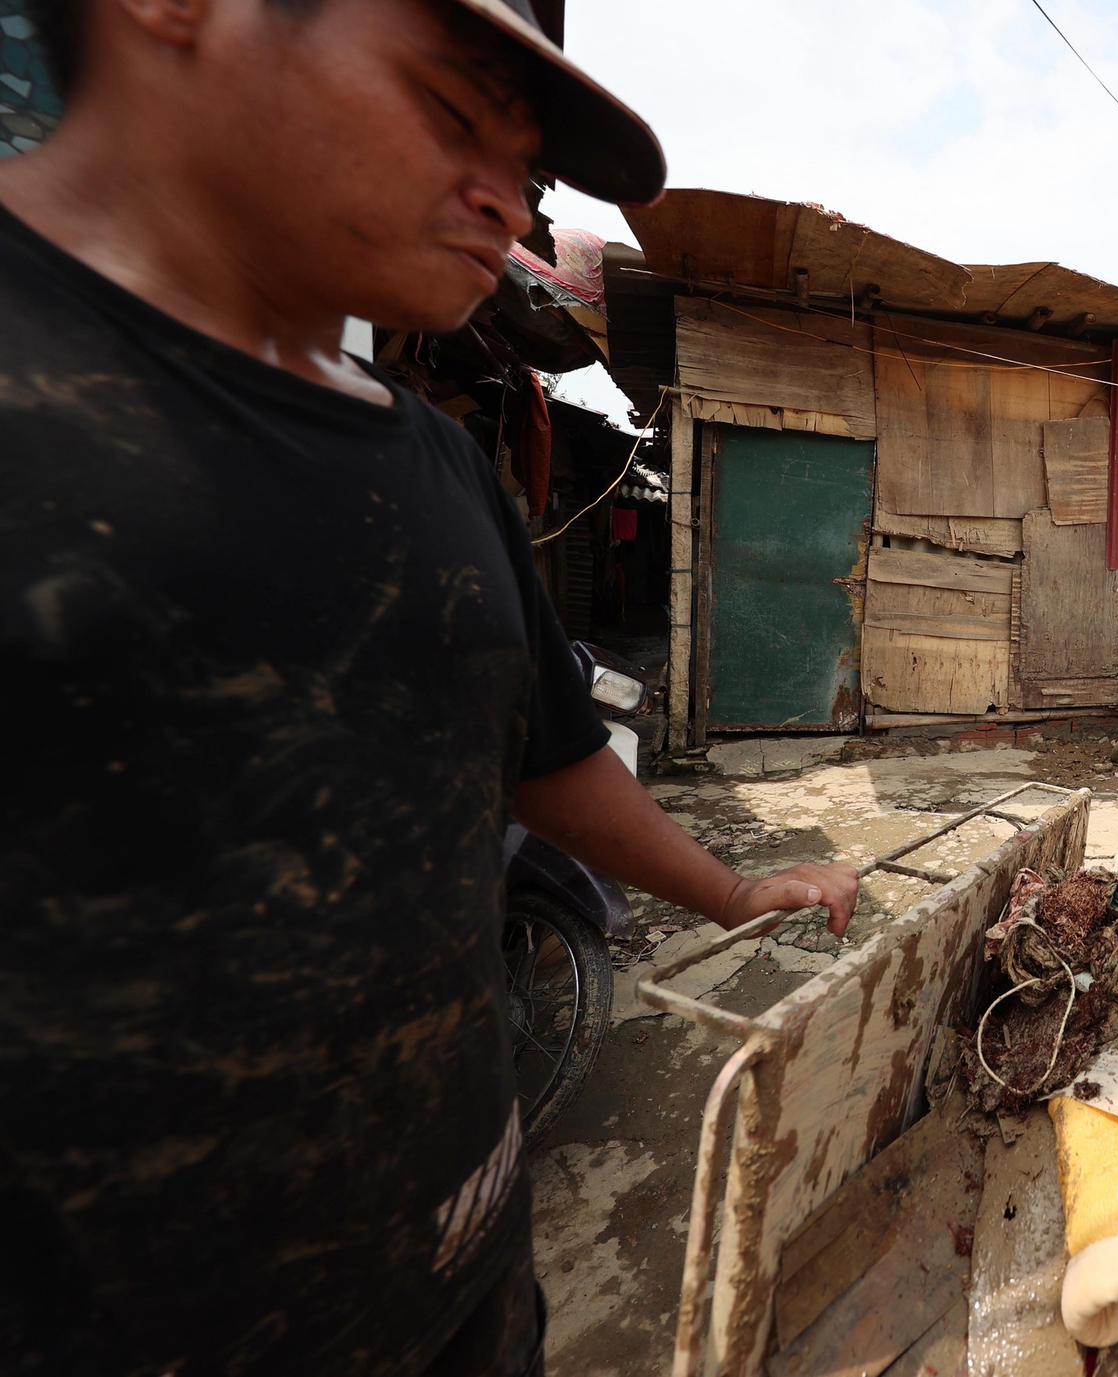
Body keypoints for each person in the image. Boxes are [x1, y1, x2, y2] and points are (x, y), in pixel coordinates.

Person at [0, 1, 859, 1373]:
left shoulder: (443, 468)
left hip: (464, 1291)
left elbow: (547, 769)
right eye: (453, 115)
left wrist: (745, 891)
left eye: (528, 177)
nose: (506, 212)